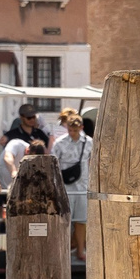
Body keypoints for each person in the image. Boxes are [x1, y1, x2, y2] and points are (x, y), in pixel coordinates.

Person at [52, 109, 92, 260]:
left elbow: (93, 162)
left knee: (81, 220)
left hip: (83, 186)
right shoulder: (59, 143)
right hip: (65, 186)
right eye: (70, 130)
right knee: (65, 221)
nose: (72, 133)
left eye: (75, 130)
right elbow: (54, 165)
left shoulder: (89, 142)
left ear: (81, 128)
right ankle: (64, 251)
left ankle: (81, 251)